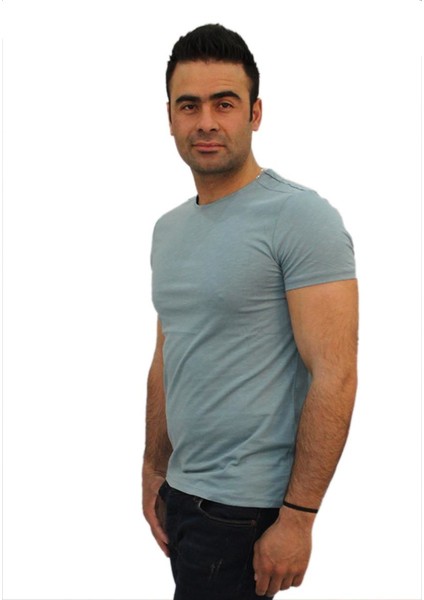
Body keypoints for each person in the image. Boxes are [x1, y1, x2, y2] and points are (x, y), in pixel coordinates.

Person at [142, 23, 358, 600]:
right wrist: (154, 469)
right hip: (183, 496)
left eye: (224, 103)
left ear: (255, 113)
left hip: (245, 512)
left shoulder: (301, 218)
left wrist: (299, 517)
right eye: (189, 105)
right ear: (170, 117)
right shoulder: (168, 230)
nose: (206, 122)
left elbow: (335, 374)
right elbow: (168, 354)